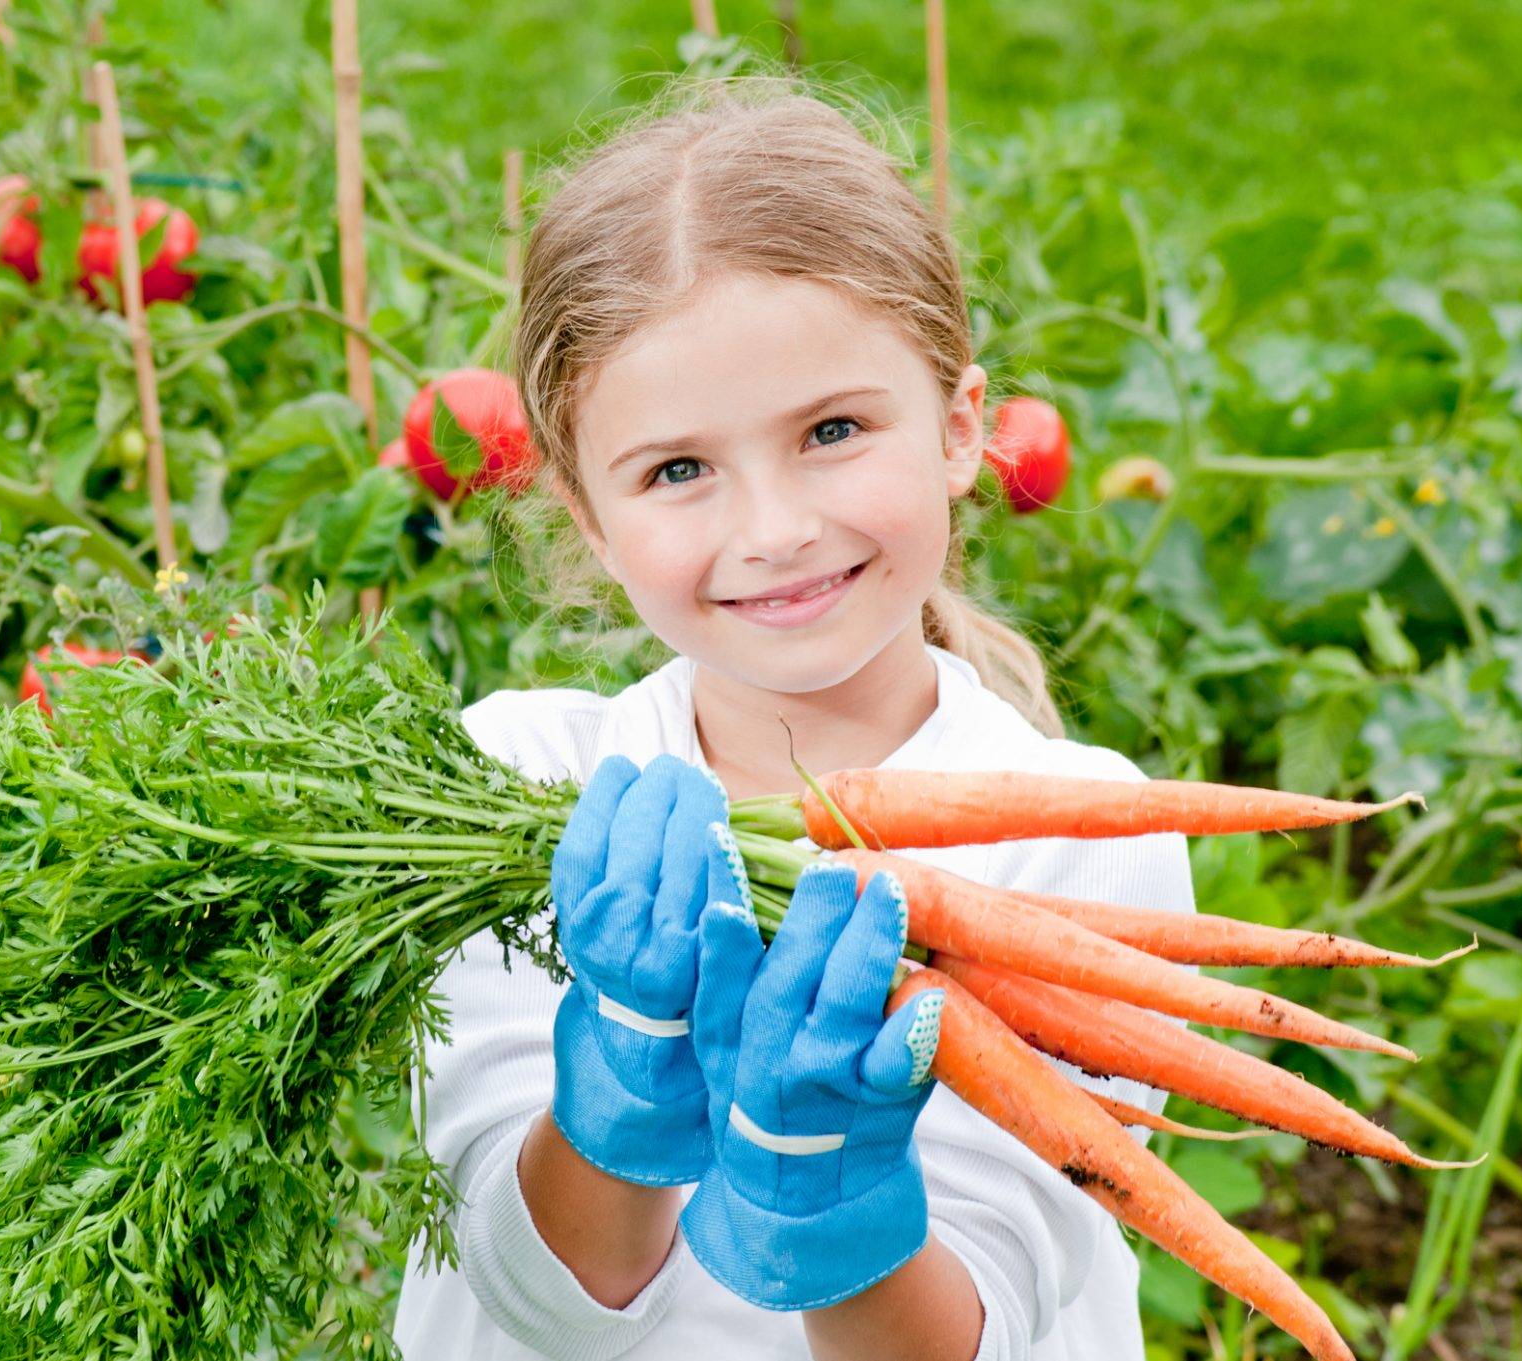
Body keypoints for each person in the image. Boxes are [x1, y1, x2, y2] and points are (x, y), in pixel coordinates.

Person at [390, 78, 1196, 1361]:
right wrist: (615, 1099)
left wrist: (827, 1211)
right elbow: (524, 1298)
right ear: (590, 521)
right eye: (677, 470)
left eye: (830, 430)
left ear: (955, 428)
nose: (770, 530)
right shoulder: (516, 789)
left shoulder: (1086, 842)